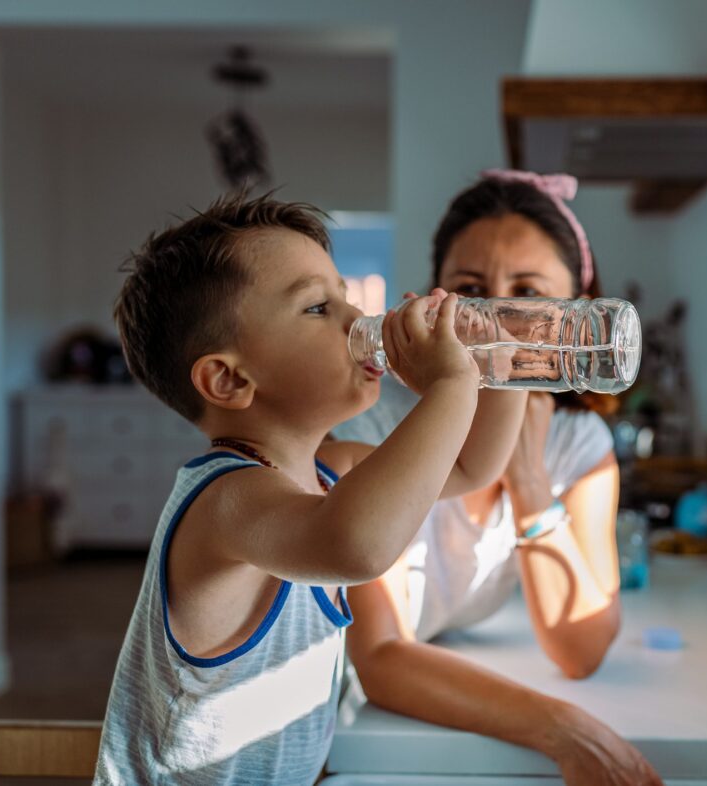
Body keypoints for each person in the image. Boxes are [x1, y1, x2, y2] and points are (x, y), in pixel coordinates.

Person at [93, 192, 529, 785]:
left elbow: (471, 468)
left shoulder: (332, 467)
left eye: (345, 295)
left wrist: (506, 358)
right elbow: (357, 548)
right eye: (319, 308)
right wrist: (451, 384)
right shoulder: (226, 503)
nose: (357, 319)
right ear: (229, 378)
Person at [333, 171, 662, 785]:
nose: (500, 321)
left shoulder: (575, 443)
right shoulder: (374, 430)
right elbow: (379, 659)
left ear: (576, 315)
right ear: (435, 299)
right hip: (355, 729)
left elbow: (581, 649)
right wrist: (563, 728)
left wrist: (529, 478)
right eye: (472, 290)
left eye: (527, 293)